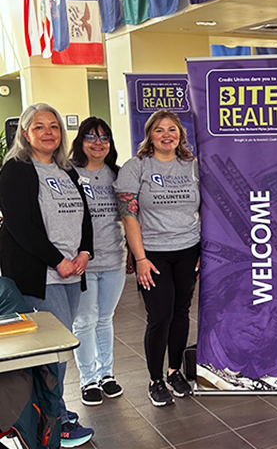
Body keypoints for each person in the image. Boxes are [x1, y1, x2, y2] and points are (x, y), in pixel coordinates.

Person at [0, 103, 95, 447]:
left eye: (53, 126)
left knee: (60, 349)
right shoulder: (15, 170)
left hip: (71, 272)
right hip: (42, 276)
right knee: (50, 355)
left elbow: (83, 217)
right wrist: (58, 261)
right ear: (25, 133)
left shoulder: (66, 170)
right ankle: (54, 423)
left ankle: (56, 414)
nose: (48, 132)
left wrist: (85, 252)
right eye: (39, 126)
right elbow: (19, 226)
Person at [114, 109, 201, 407]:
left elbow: (207, 209)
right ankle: (155, 379)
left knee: (180, 313)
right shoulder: (136, 166)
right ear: (149, 135)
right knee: (160, 315)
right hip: (153, 254)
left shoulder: (192, 166)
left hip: (188, 249)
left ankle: (175, 371)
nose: (167, 135)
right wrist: (139, 258)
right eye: (160, 130)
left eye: (172, 129)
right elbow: (129, 216)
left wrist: (204, 250)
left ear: (180, 135)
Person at [69, 117, 128, 407]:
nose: (98, 143)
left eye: (104, 138)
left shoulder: (117, 175)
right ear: (81, 141)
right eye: (91, 137)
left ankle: (106, 374)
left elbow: (129, 217)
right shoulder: (69, 174)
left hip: (114, 259)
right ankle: (88, 379)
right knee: (85, 321)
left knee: (105, 319)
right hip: (82, 263)